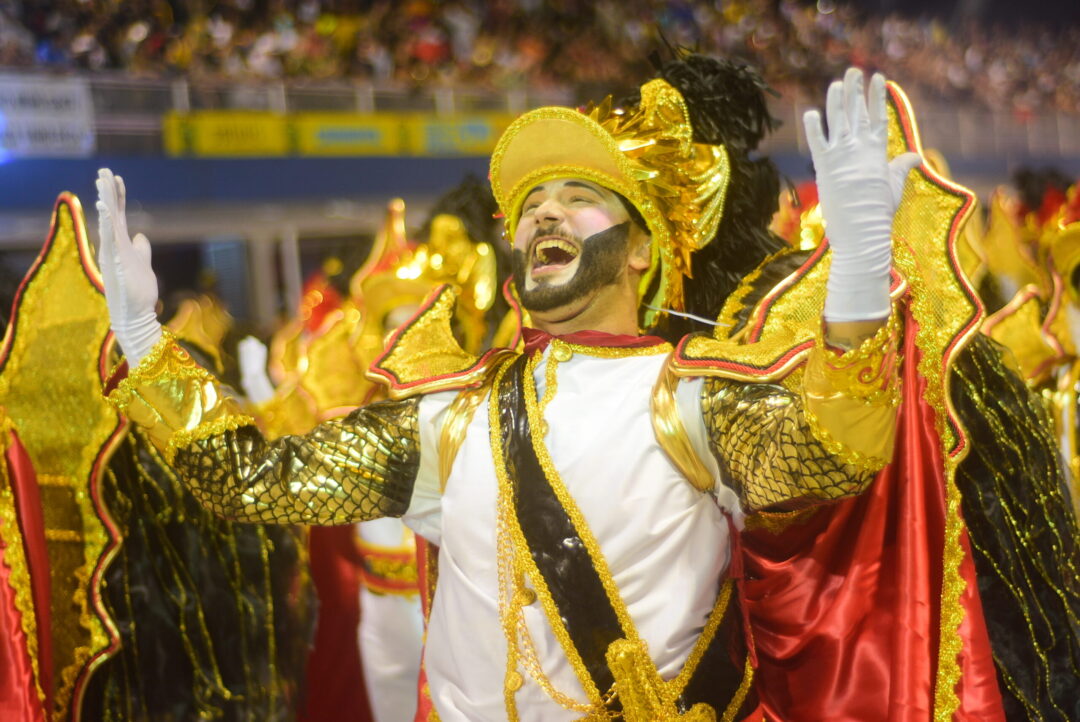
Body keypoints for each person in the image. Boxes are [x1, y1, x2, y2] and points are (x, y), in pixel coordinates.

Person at [95, 59, 930, 719]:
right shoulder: (446, 416)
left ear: (642, 252)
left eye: (578, 198)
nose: (543, 216)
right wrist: (142, 342)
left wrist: (857, 271)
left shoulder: (692, 400)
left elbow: (831, 454)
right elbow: (252, 480)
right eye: (530, 206)